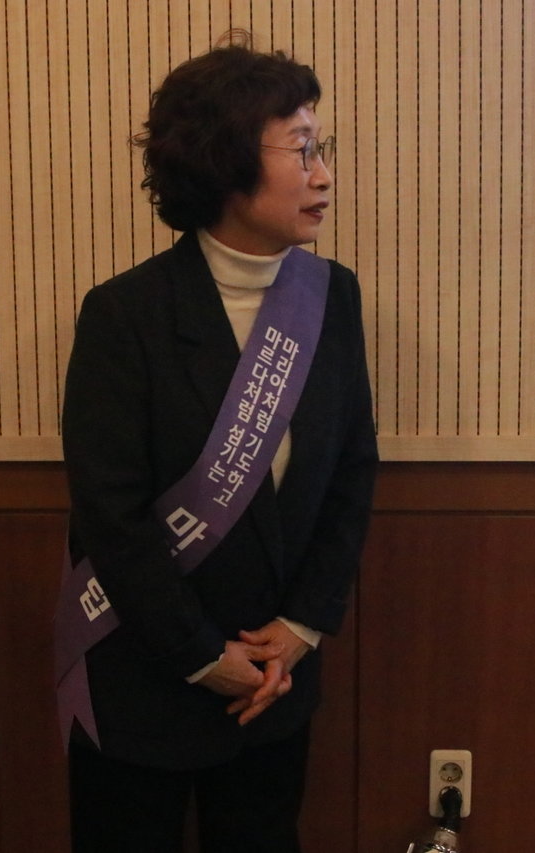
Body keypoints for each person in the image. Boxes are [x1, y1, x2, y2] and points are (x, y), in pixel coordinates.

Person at [55, 33, 378, 852]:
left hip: (274, 680)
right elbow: (111, 515)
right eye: (301, 149)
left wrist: (302, 626)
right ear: (226, 161)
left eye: (322, 147)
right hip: (144, 675)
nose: (323, 174)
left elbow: (351, 471)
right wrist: (202, 654)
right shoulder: (124, 316)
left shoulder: (331, 298)